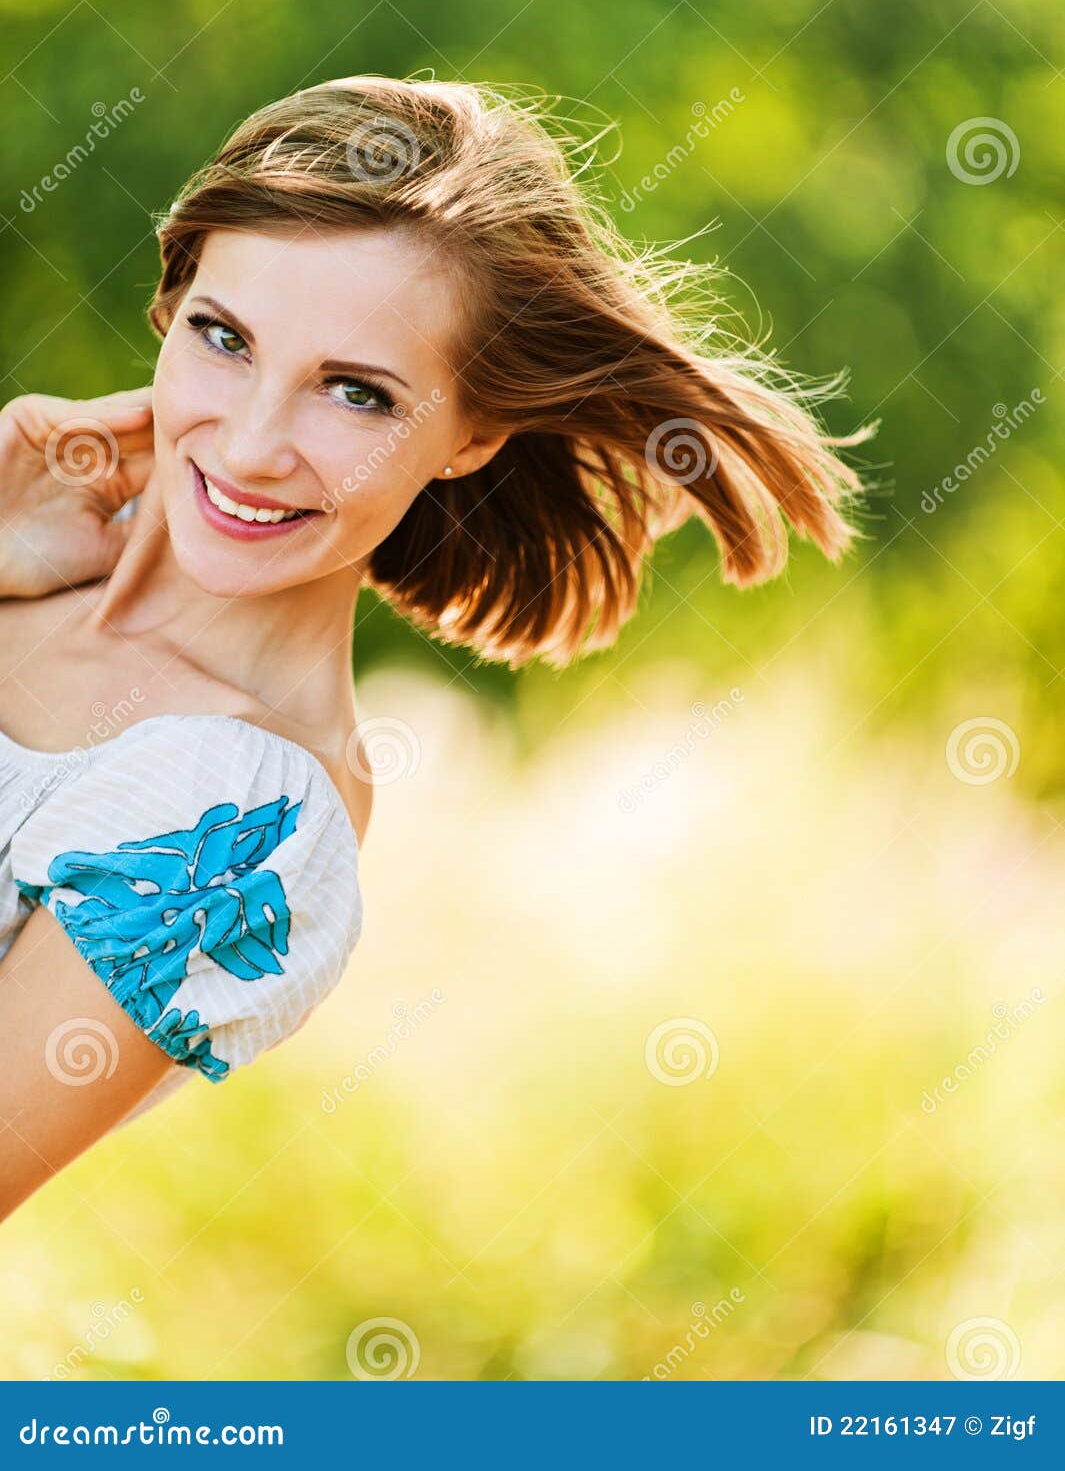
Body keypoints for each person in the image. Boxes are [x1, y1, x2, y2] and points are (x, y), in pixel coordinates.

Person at [0, 73, 871, 1218]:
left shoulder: (240, 806)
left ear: (470, 436)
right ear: (170, 306)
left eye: (355, 395)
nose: (256, 444)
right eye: (225, 338)